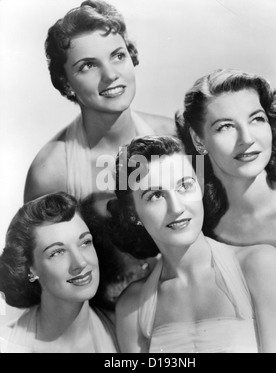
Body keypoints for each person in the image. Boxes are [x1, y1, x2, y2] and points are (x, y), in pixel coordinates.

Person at [23, 0, 174, 310]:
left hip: (182, 313)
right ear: (66, 82)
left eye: (118, 56)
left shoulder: (176, 139)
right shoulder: (51, 171)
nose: (110, 76)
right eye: (88, 65)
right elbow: (44, 284)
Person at [109, 135, 276, 353]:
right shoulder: (132, 308)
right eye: (155, 195)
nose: (176, 207)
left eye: (184, 186)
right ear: (134, 213)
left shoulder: (259, 265)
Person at [176, 69, 276, 323]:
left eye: (256, 119)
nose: (246, 139)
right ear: (199, 140)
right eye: (226, 127)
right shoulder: (199, 233)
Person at [0, 192, 118, 353]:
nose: (80, 262)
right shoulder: (7, 345)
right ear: (30, 269)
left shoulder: (123, 333)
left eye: (85, 242)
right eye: (57, 252)